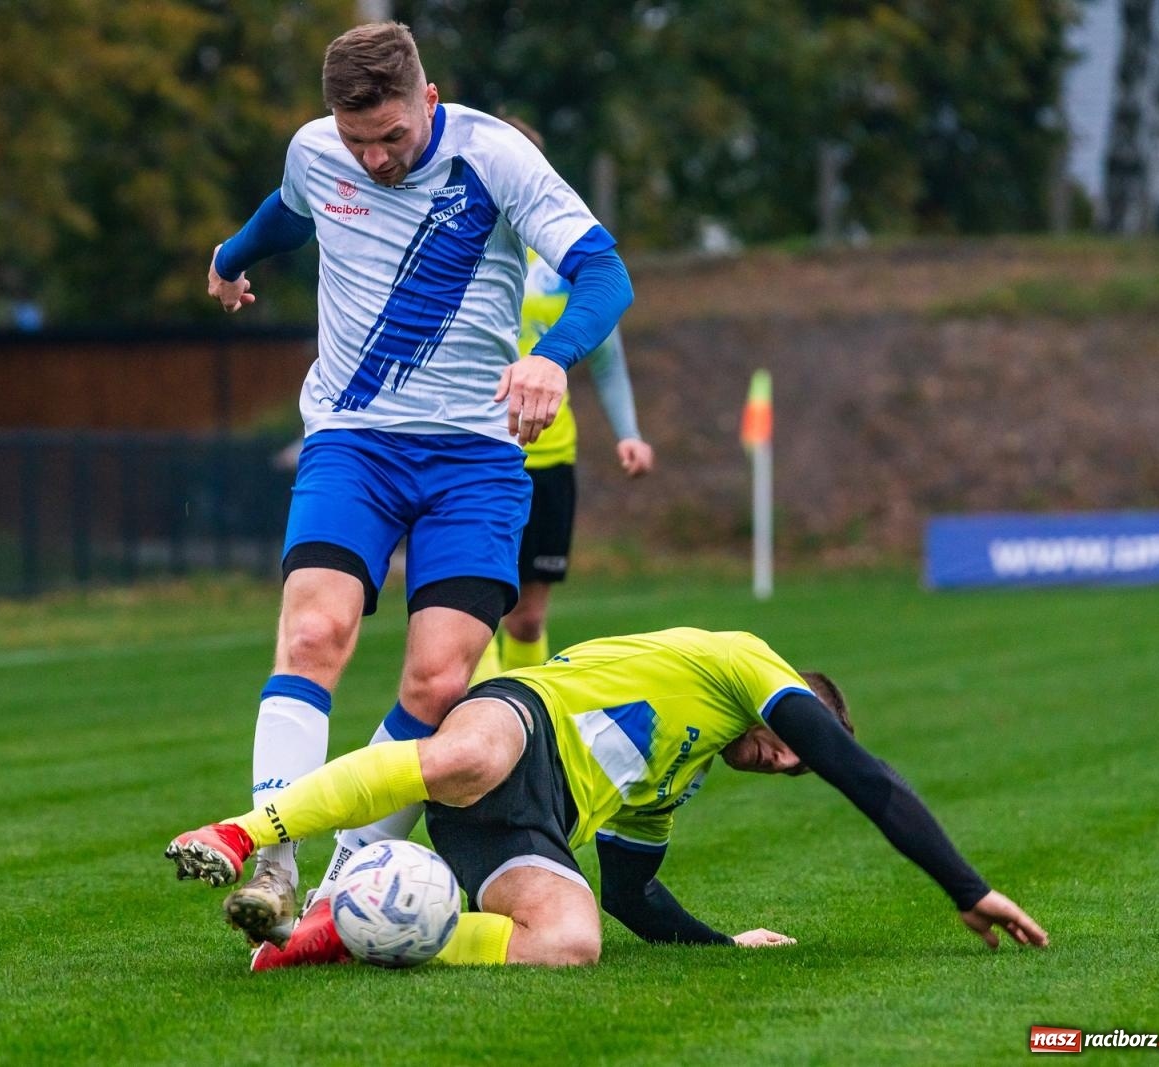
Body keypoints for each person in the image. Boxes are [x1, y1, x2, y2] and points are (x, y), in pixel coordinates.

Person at [205, 21, 632, 944]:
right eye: (357, 140)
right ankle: (274, 861)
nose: (374, 158)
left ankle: (337, 888)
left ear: (428, 102)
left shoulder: (497, 157)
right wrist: (232, 256)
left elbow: (605, 272)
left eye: (391, 138)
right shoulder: (320, 152)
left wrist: (553, 356)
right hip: (353, 441)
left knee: (439, 684)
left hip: (474, 459)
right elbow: (290, 207)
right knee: (315, 628)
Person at [167, 626, 1049, 968]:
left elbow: (630, 894)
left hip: (524, 825)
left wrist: (722, 942)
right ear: (791, 696)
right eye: (795, 742)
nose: (786, 761)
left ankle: (323, 935)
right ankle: (246, 834)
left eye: (792, 768)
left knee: (572, 939)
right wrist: (966, 888)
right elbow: (867, 777)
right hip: (525, 715)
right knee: (467, 752)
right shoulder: (742, 662)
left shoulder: (672, 781)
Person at [468, 118, 654, 685]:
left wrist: (628, 433)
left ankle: (518, 725)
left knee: (526, 619)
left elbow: (606, 355)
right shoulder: (458, 250)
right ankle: (471, 730)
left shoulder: (565, 263)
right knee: (466, 614)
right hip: (469, 454)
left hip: (547, 458)